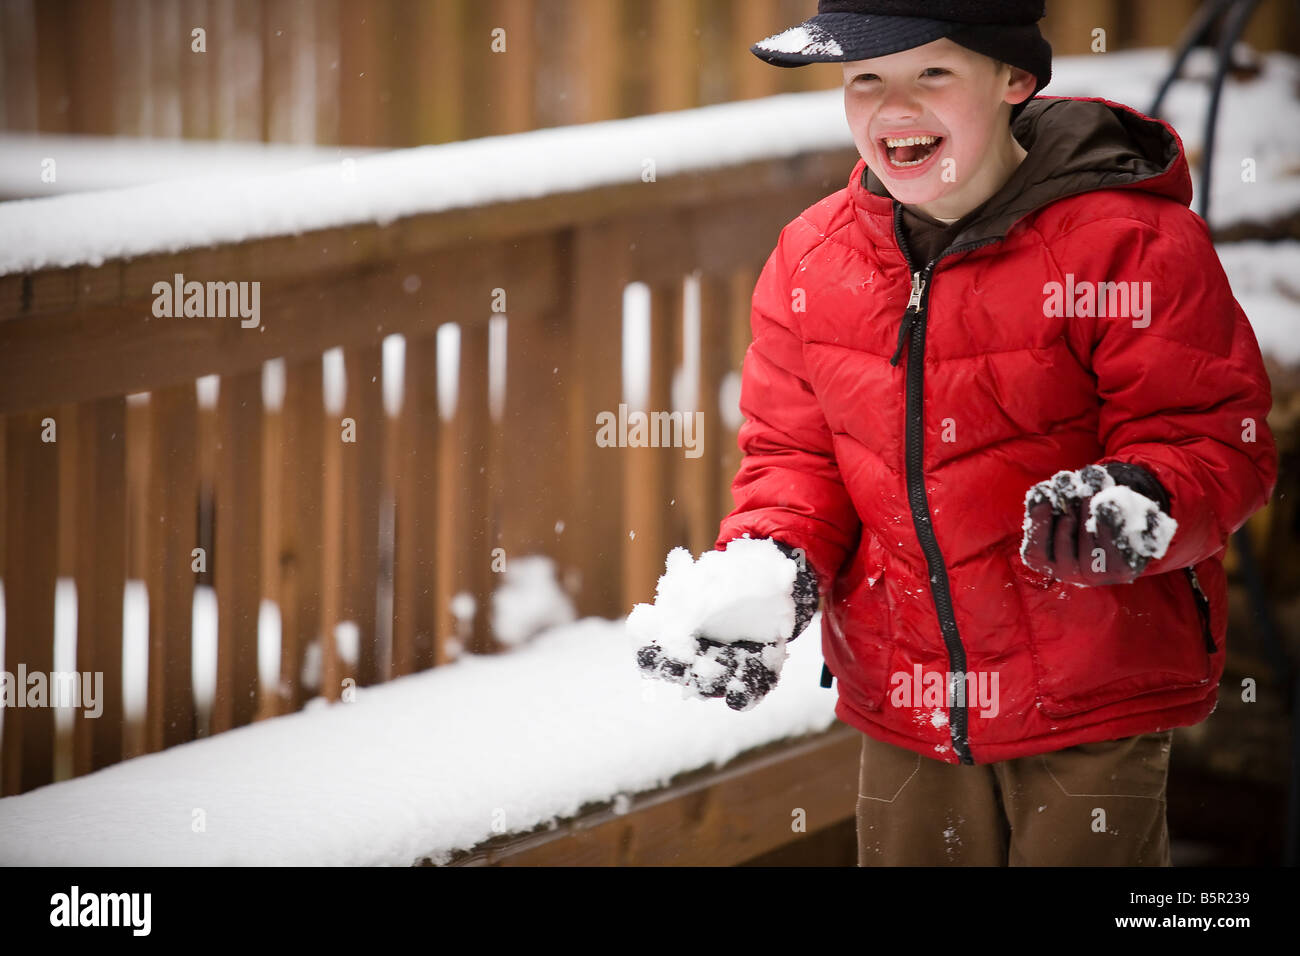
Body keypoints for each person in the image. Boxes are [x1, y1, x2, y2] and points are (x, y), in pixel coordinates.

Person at [631, 0, 1277, 865]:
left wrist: (1138, 502)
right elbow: (794, 460)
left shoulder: (1128, 242)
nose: (894, 107)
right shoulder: (812, 258)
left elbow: (1211, 437)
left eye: (931, 72)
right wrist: (768, 573)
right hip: (905, 695)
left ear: (1013, 79)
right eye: (866, 78)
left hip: (1090, 694)